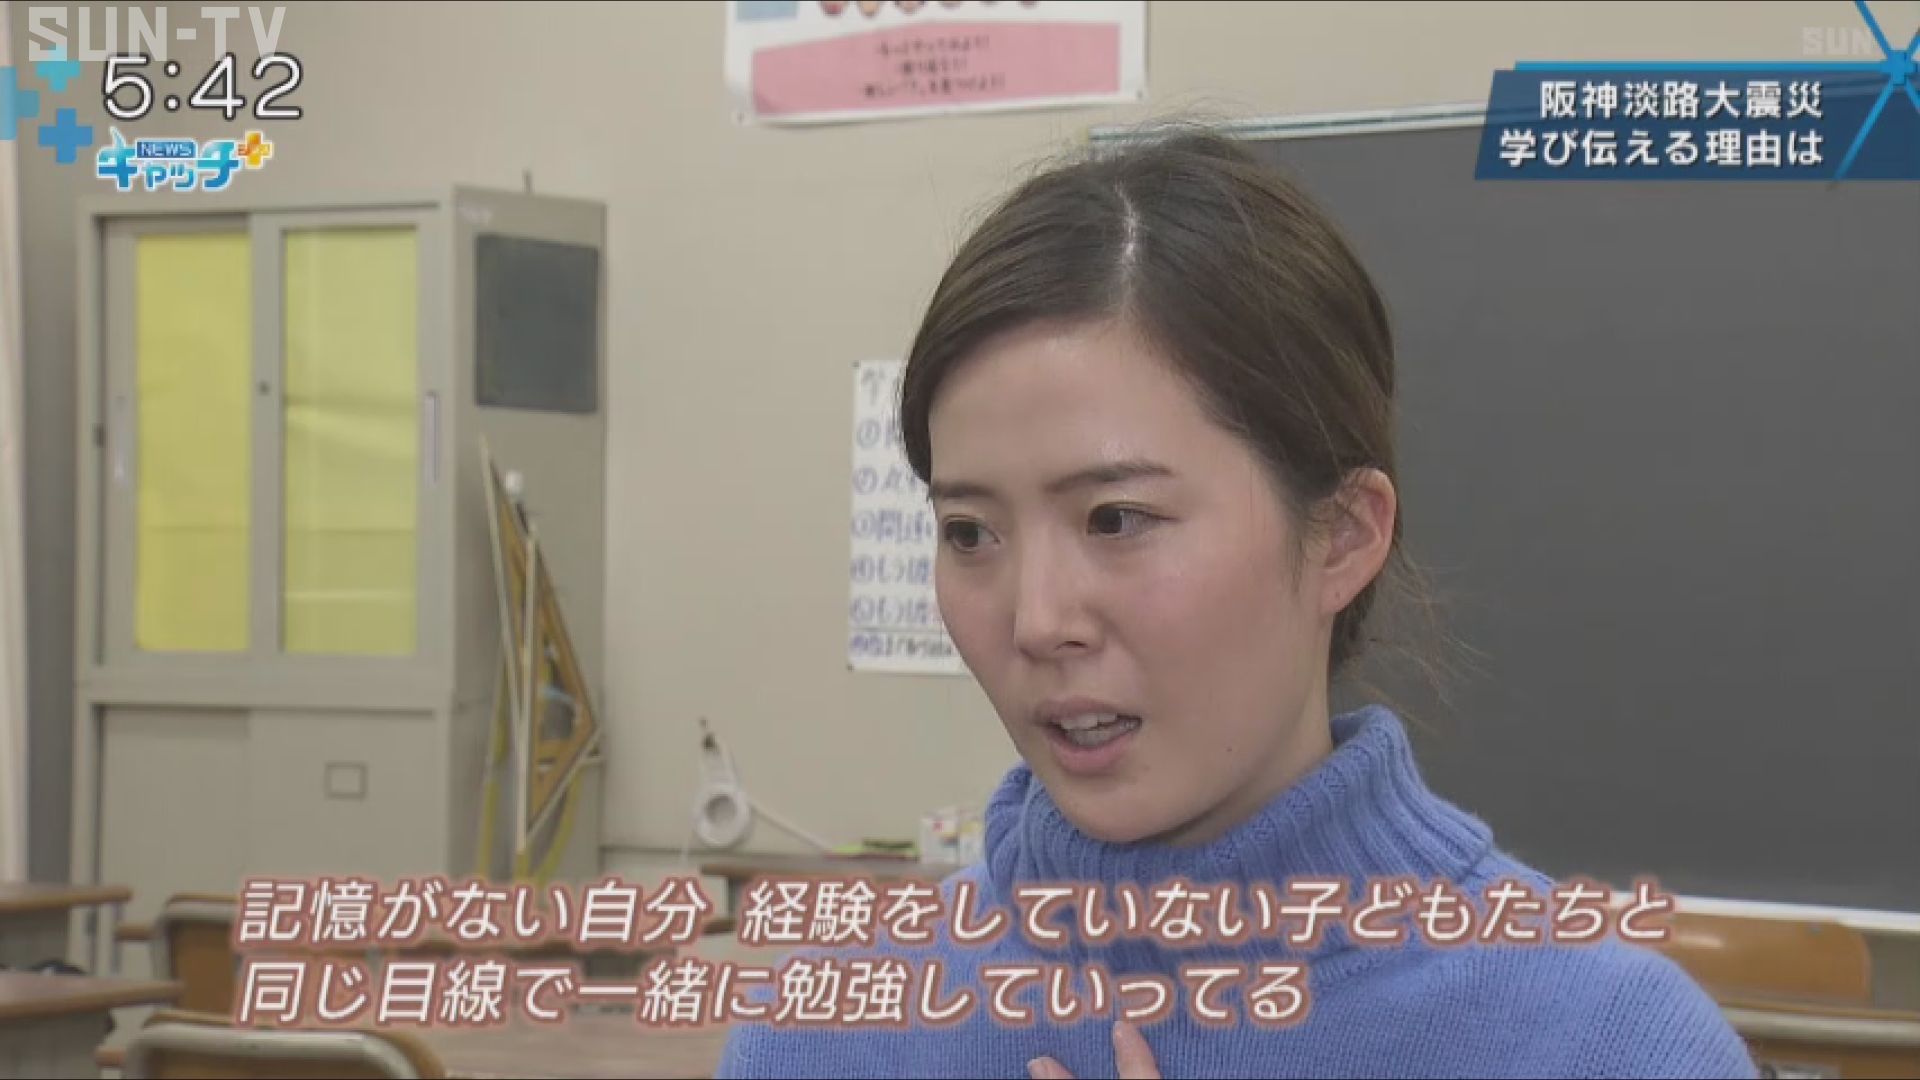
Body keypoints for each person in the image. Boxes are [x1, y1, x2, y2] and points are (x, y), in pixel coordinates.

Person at [717, 125, 1757, 1079]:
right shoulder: (826, 1031)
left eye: (1116, 519)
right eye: (970, 533)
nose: (1037, 622)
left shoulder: (1611, 1043)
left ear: (1342, 535)